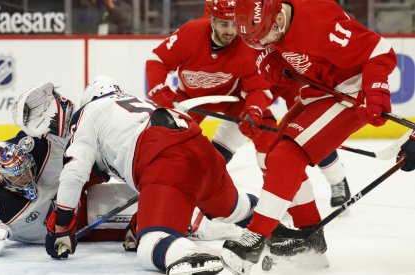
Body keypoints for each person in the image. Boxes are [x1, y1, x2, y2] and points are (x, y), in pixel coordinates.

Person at [221, 0, 397, 273]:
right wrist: (270, 58)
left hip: (349, 94)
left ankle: (255, 237)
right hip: (318, 94)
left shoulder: (319, 21)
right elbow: (266, 50)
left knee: (285, 157)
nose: (262, 42)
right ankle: (310, 239)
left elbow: (379, 51)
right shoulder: (266, 24)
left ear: (278, 18)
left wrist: (376, 89)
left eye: (265, 36)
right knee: (273, 157)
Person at [42, 76, 260, 275]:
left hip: (167, 160)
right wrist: (143, 217)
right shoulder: (138, 103)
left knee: (151, 245)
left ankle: (192, 257)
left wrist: (62, 222)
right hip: (202, 151)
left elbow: (75, 170)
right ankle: (273, 222)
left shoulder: (90, 111)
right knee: (233, 209)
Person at [145, 0, 352, 207]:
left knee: (301, 132)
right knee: (171, 137)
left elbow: (257, 88)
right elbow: (157, 60)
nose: (230, 31)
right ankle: (161, 181)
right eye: (224, 24)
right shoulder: (194, 33)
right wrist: (157, 89)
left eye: (233, 24)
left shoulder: (249, 41)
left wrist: (253, 108)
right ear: (212, 20)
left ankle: (330, 181)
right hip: (206, 96)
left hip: (280, 79)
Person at [0, 84, 133, 256]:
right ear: (0, 179)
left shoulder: (36, 144)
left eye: (22, 170)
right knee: (134, 219)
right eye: (14, 176)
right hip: (76, 219)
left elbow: (89, 162)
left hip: (76, 193)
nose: (22, 177)